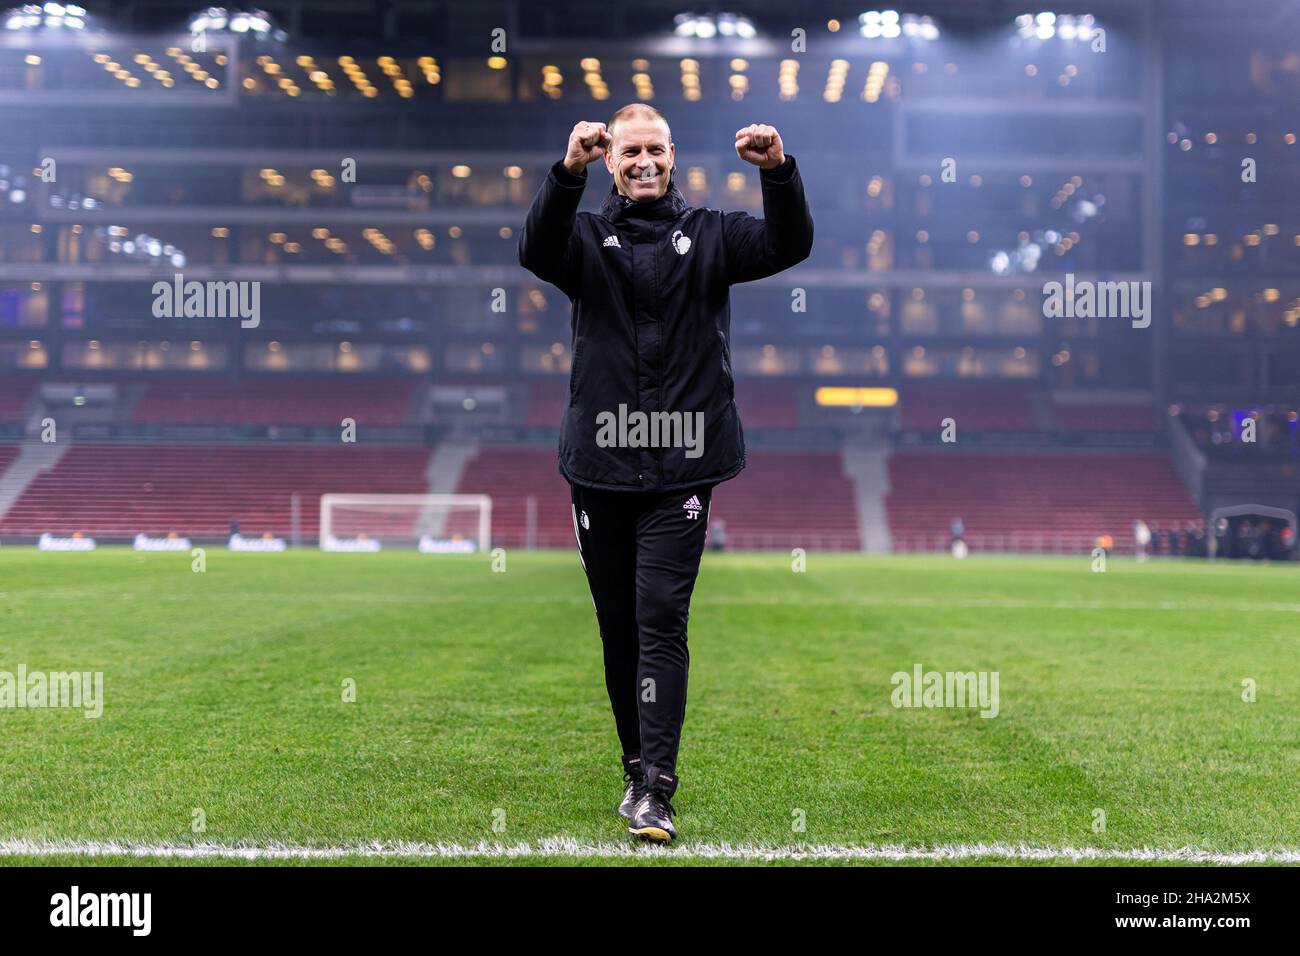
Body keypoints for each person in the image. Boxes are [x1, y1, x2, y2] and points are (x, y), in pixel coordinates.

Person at [518, 105, 813, 842]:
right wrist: (565, 174)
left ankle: (657, 788)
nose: (643, 161)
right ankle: (632, 766)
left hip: (682, 467)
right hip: (600, 464)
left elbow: (789, 242)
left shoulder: (713, 235)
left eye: (654, 149)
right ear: (611, 160)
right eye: (629, 151)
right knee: (618, 626)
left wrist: (778, 171)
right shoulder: (585, 238)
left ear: (672, 155)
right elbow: (533, 249)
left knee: (659, 621)